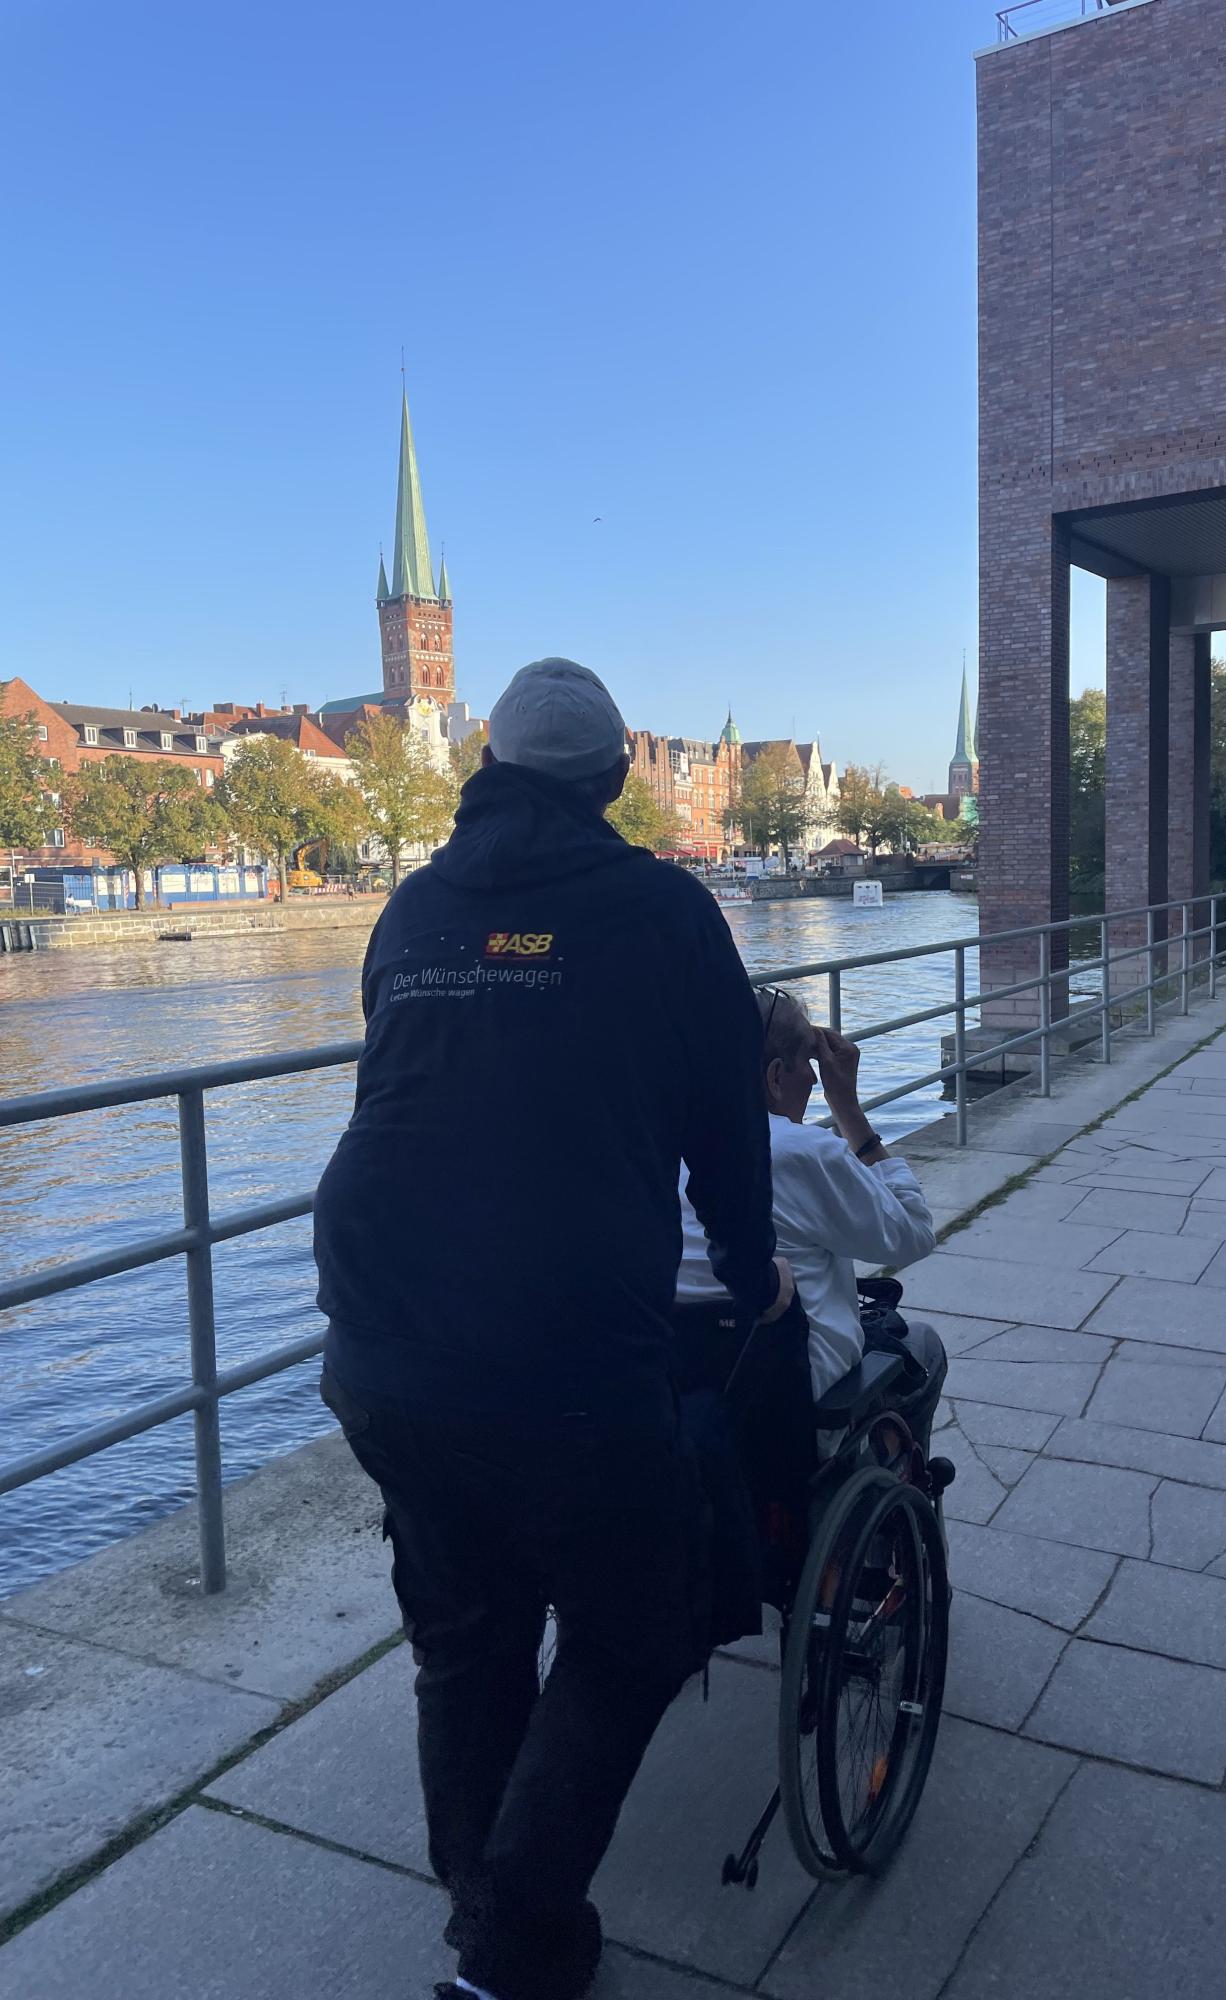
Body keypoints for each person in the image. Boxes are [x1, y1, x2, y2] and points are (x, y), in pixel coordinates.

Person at [313, 658, 791, 2000]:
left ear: (486, 769)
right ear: (613, 781)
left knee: (467, 1633)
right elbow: (729, 1126)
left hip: (379, 1329)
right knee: (638, 1626)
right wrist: (749, 1272)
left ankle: (489, 1914)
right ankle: (511, 1939)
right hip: (562, 1341)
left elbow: (418, 1087)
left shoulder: (415, 907)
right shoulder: (665, 910)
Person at [678, 985, 946, 1454]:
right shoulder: (797, 1151)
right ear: (775, 1076)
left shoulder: (656, 1146)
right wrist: (848, 1109)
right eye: (810, 1065)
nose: (815, 1082)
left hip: (683, 1389)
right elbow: (914, 1234)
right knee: (924, 1347)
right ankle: (895, 1468)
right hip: (791, 1396)